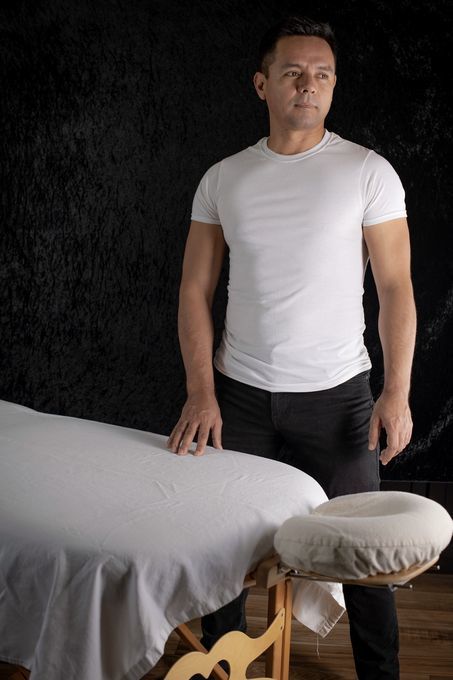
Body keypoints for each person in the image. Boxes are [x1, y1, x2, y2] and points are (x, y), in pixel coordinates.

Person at [167, 15, 416, 680]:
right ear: (262, 84)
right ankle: (224, 669)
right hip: (238, 397)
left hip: (338, 399)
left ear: (332, 87)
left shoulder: (367, 171)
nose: (309, 84)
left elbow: (395, 288)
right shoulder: (224, 177)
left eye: (322, 74)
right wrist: (201, 392)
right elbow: (194, 289)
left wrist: (395, 393)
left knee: (364, 556)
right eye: (293, 72)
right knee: (221, 549)